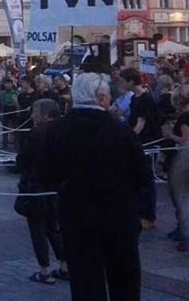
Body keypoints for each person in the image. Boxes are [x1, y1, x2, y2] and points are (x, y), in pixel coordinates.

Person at [42, 72, 151, 301]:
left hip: (77, 215)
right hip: (118, 214)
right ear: (101, 98)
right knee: (124, 279)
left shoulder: (56, 130)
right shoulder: (121, 131)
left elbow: (44, 173)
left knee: (85, 281)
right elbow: (142, 175)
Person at [15, 99, 68, 285]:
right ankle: (64, 265)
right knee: (54, 227)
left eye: (35, 112)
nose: (32, 116)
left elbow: (22, 159)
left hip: (36, 186)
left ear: (45, 115)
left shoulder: (37, 133)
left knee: (37, 228)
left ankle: (44, 270)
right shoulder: (64, 131)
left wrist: (19, 165)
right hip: (56, 187)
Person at [121, 67, 161, 230]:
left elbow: (140, 123)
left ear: (131, 81)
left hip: (146, 142)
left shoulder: (145, 98)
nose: (121, 84)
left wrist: (129, 140)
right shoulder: (135, 98)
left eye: (123, 81)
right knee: (137, 179)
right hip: (138, 143)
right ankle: (139, 212)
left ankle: (149, 216)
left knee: (147, 180)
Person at [163, 84, 189, 251]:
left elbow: (186, 139)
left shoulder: (184, 118)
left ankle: (184, 233)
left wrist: (170, 134)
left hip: (185, 158)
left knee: (181, 197)